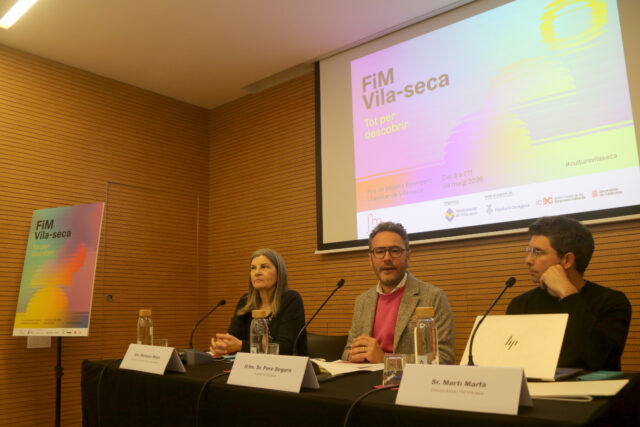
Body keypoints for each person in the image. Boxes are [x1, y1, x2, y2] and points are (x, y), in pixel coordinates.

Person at [507, 216, 631, 371]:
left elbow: (603, 360)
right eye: (529, 251)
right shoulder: (520, 304)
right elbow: (510, 360)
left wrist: (568, 293)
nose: (528, 260)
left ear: (567, 260)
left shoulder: (612, 302)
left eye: (538, 252)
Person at [342, 222, 455, 364]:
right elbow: (347, 352)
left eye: (395, 251)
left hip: (409, 378)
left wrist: (385, 359)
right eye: (379, 251)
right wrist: (353, 355)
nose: (387, 258)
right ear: (370, 259)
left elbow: (444, 359)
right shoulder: (363, 301)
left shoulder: (433, 297)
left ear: (408, 257)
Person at [210, 248, 308, 356]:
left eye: (264, 267)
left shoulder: (291, 300)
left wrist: (241, 346)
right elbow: (232, 338)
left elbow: (285, 348)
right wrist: (223, 346)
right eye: (253, 268)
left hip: (287, 365)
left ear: (279, 272)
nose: (257, 272)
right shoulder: (245, 302)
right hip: (250, 365)